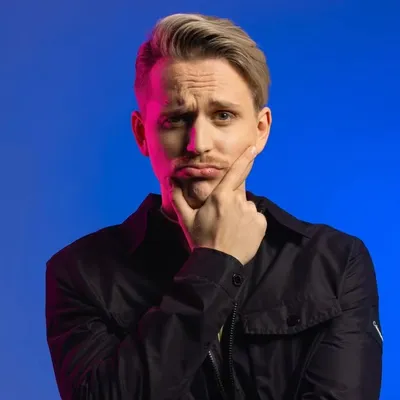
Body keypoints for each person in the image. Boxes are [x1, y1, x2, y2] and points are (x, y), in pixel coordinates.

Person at [45, 13, 383, 400]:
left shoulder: (335, 262)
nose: (199, 143)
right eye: (176, 119)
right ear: (142, 134)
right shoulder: (79, 273)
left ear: (260, 130)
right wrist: (215, 263)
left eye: (223, 116)